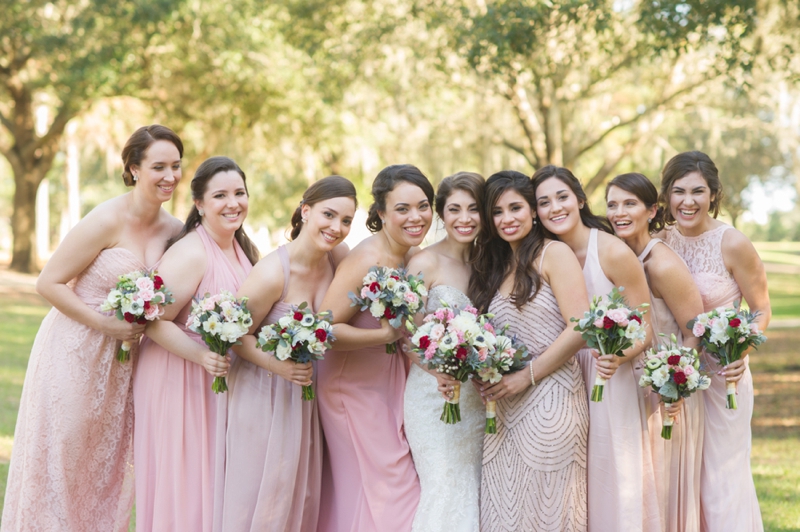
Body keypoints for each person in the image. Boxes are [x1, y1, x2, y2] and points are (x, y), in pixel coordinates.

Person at [1, 125, 184, 531]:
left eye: (176, 166)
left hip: (123, 367)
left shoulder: (175, 230)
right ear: (134, 168)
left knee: (105, 466)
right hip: (74, 349)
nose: (170, 176)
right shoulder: (106, 219)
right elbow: (47, 282)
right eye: (159, 166)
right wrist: (106, 324)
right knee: (63, 458)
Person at [214, 176, 357, 532]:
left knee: (298, 497)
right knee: (258, 498)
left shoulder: (336, 257)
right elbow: (234, 335)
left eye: (346, 220)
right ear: (305, 211)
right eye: (328, 214)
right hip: (262, 394)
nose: (336, 227)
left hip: (303, 397)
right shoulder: (271, 273)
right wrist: (279, 367)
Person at [530, 165, 660, 531]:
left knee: (612, 472)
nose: (554, 208)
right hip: (562, 377)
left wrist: (617, 357)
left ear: (580, 200)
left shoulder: (613, 252)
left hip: (608, 376)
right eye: (543, 202)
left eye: (562, 197)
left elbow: (644, 327)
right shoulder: (539, 253)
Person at [133, 156, 258, 532]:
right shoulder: (191, 251)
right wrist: (202, 355)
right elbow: (151, 321)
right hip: (177, 377)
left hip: (211, 379)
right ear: (200, 204)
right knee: (185, 487)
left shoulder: (241, 250)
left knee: (211, 484)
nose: (232, 203)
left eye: (239, 193)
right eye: (220, 195)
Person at [316, 164, 433, 532]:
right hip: (351, 389)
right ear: (381, 213)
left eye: (423, 205)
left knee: (367, 491)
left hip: (388, 385)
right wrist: (382, 337)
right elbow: (324, 327)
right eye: (402, 209)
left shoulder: (411, 256)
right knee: (391, 493)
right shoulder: (367, 259)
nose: (416, 217)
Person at [658, 151, 769, 532]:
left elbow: (761, 309)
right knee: (680, 477)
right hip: (673, 376)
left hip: (724, 379)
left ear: (713, 195)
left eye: (697, 191)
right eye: (678, 191)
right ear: (667, 196)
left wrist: (744, 349)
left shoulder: (733, 243)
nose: (687, 201)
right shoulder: (658, 240)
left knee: (721, 478)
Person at [472, 171, 590, 531]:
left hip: (552, 403)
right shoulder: (495, 265)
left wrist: (528, 376)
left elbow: (581, 326)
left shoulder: (554, 254)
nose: (507, 219)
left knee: (547, 513)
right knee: (503, 512)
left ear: (533, 211)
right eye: (497, 211)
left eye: (515, 208)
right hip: (503, 408)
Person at [606, 172, 705, 532]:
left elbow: (696, 330)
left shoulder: (660, 263)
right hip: (632, 385)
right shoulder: (618, 256)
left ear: (652, 211)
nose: (619, 212)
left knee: (662, 492)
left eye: (630, 204)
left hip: (665, 393)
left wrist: (675, 385)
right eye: (613, 204)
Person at [402, 172, 485, 532]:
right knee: (444, 484)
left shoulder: (489, 264)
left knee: (475, 486)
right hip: (432, 395)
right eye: (454, 209)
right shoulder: (424, 263)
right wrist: (438, 372)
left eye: (474, 209)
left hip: (477, 397)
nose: (464, 218)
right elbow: (404, 335)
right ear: (441, 214)